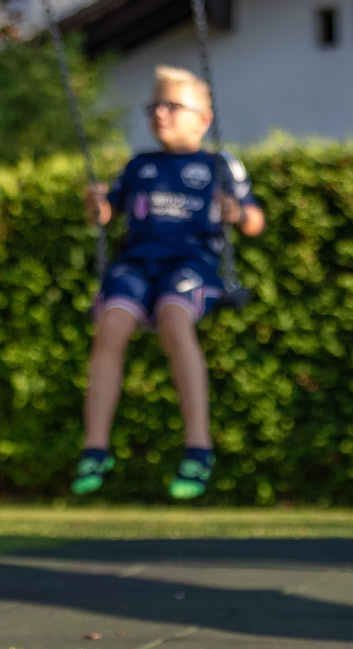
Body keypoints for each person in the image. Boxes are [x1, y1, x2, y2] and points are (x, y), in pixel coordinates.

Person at [71, 65, 266, 500]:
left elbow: (255, 220)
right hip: (136, 265)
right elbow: (106, 215)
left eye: (172, 105)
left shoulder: (217, 164)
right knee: (110, 328)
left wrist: (236, 213)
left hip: (190, 265)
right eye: (154, 105)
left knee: (175, 322)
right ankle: (95, 448)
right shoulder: (139, 165)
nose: (159, 113)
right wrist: (95, 205)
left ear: (202, 118)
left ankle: (198, 448)